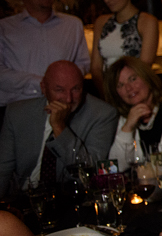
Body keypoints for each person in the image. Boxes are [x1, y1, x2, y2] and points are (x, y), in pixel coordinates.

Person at [0, 60, 117, 198]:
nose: (68, 99)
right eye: (59, 90)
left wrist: (59, 128)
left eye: (76, 89)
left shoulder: (102, 114)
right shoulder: (17, 113)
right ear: (44, 88)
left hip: (72, 198)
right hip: (25, 197)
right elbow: (3, 170)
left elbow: (88, 173)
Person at [0, 0, 90, 116]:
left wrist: (63, 87)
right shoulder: (5, 28)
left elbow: (83, 64)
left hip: (65, 108)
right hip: (18, 108)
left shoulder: (72, 25)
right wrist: (41, 83)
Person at [103, 56, 162, 167]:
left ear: (146, 78)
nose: (128, 88)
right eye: (120, 85)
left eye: (132, 79)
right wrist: (128, 128)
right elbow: (116, 167)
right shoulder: (124, 119)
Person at [90, 0, 159, 95]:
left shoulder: (147, 22)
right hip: (107, 91)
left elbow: (144, 67)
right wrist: (107, 94)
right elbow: (95, 68)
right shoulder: (101, 22)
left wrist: (125, 92)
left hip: (136, 91)